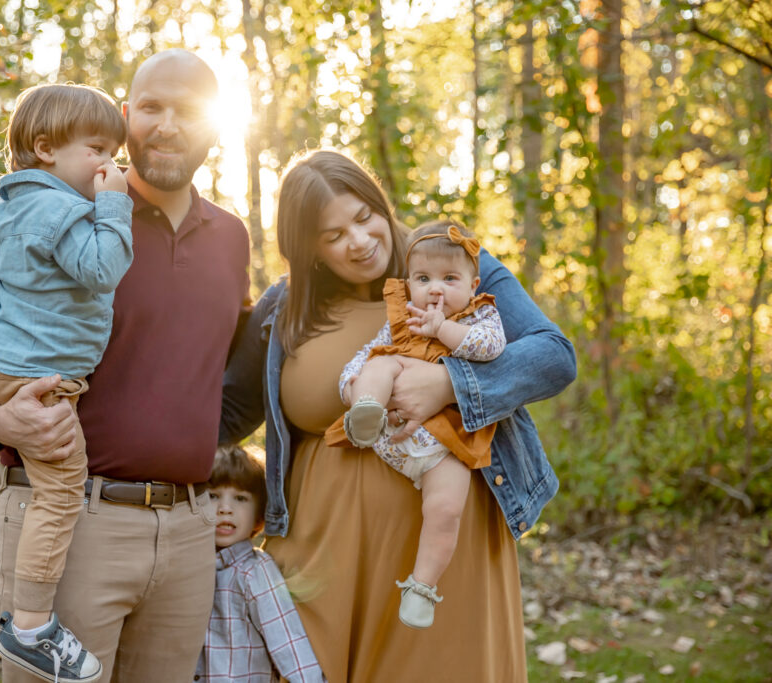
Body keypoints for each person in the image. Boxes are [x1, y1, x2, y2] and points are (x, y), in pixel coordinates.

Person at [0, 50, 250, 682]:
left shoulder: (231, 237)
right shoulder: (64, 212)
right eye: (152, 108)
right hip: (71, 523)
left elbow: (209, 375)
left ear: (217, 124)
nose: (167, 126)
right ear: (126, 117)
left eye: (187, 111)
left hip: (189, 533)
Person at [220, 149, 577, 681]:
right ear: (309, 249)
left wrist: (450, 383)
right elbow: (229, 411)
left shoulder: (453, 265)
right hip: (321, 552)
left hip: (445, 543)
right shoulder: (284, 306)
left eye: (365, 218)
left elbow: (554, 356)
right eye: (333, 235)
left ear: (380, 205)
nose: (359, 242)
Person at [0, 82, 133, 682]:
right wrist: (115, 207)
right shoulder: (64, 209)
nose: (109, 164)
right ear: (44, 147)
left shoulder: (7, 204)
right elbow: (102, 268)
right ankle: (33, 628)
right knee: (60, 487)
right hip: (40, 372)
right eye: (97, 149)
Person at [326, 219, 506, 629]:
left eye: (449, 278)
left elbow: (490, 349)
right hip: (389, 433)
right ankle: (365, 412)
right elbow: (358, 360)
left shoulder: (481, 318)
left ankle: (422, 587)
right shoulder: (400, 321)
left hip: (445, 449)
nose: (435, 289)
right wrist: (355, 389)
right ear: (409, 284)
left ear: (474, 285)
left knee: (445, 511)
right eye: (423, 278)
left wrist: (442, 328)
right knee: (379, 363)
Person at [196, 445, 325, 683]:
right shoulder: (185, 567)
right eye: (213, 496)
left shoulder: (255, 570)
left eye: (240, 498)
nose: (225, 509)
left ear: (259, 515)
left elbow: (287, 642)